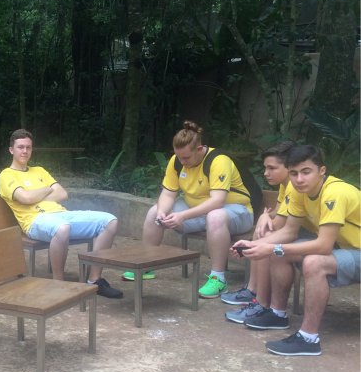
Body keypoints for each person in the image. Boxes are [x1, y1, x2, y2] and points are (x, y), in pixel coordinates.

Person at [231, 145, 360, 356]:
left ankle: (308, 339)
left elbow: (323, 246)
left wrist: (271, 247)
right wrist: (254, 245)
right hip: (348, 249)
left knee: (314, 262)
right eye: (294, 173)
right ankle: (277, 314)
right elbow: (288, 231)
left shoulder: (335, 193)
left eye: (306, 172)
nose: (299, 179)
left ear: (322, 171)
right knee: (279, 252)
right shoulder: (301, 191)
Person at [128, 121, 255, 298]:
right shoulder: (177, 161)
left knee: (215, 216)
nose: (182, 162)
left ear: (199, 149)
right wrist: (162, 212)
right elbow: (168, 193)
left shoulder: (219, 160)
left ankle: (218, 279)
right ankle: (146, 265)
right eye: (178, 157)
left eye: (186, 158)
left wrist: (182, 216)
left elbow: (217, 201)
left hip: (236, 212)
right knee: (154, 212)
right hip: (197, 211)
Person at [0, 128, 123, 297]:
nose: (25, 151)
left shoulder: (39, 170)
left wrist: (35, 195)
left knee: (110, 221)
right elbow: (25, 198)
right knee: (62, 228)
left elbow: (62, 194)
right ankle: (58, 284)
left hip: (61, 215)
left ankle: (94, 280)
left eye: (28, 147)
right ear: (11, 150)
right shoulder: (7, 175)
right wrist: (47, 189)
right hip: (35, 221)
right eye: (20, 147)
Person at [223, 141, 297, 323]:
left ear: (289, 167)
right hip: (297, 232)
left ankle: (261, 304)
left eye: (272, 168)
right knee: (263, 231)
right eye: (265, 168)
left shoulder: (294, 185)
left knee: (266, 236)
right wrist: (265, 215)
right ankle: (253, 291)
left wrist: (265, 222)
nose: (266, 173)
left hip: (310, 236)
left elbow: (279, 223)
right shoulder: (285, 185)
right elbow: (278, 212)